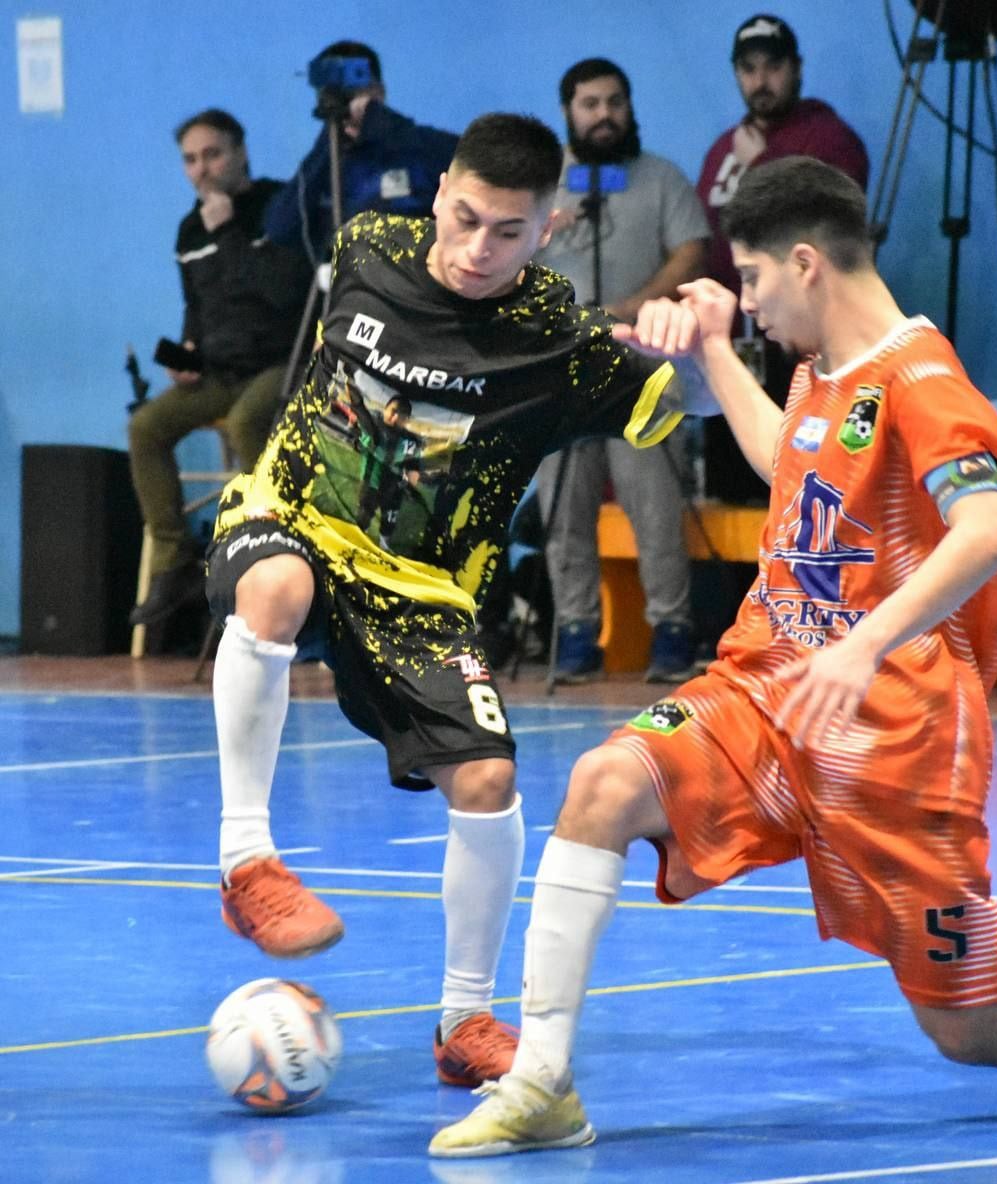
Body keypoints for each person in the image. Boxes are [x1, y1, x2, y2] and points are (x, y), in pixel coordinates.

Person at [429, 157, 997, 1157]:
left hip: (895, 733)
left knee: (970, 1025)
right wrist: (712, 350)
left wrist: (865, 642)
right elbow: (795, 466)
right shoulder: (820, 371)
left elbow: (984, 529)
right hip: (769, 686)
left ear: (805, 262)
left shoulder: (922, 381)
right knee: (604, 781)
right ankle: (542, 1082)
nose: (747, 301)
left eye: (751, 280)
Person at [204, 113, 714, 1091]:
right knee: (273, 586)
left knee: (486, 781)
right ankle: (247, 863)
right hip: (294, 512)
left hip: (421, 588)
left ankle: (463, 1018)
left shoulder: (554, 343)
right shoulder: (367, 248)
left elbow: (680, 403)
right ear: (440, 191)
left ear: (549, 228)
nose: (477, 248)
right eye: (466, 217)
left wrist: (688, 347)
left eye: (507, 232)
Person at [535, 57, 710, 683]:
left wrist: (630, 308)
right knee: (563, 504)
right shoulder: (542, 185)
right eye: (590, 104)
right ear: (568, 112)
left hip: (643, 368)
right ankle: (577, 633)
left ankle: (672, 630)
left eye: (615, 101)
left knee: (657, 505)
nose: (604, 114)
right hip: (561, 369)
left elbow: (692, 249)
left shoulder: (660, 178)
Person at [127, 109, 311, 629]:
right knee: (145, 426)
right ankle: (176, 563)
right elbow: (196, 309)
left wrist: (230, 228)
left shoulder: (277, 207)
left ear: (241, 152)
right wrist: (184, 356)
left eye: (213, 154)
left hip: (283, 362)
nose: (201, 169)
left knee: (250, 419)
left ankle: (273, 555)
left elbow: (283, 296)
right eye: (190, 159)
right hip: (217, 371)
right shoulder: (189, 230)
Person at [695, 13, 870, 503]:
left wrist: (760, 164)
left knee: (799, 487)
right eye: (748, 68)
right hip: (737, 347)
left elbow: (829, 224)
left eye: (772, 66)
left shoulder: (828, 139)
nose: (760, 80)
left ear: (796, 67)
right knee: (731, 495)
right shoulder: (722, 150)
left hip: (800, 346)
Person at [263, 40, 459, 264]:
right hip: (348, 288)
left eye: (354, 86)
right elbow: (280, 228)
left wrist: (381, 121)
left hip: (412, 282)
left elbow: (464, 165)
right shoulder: (325, 160)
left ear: (379, 91)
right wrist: (328, 138)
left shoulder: (420, 146)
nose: (344, 97)